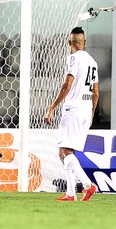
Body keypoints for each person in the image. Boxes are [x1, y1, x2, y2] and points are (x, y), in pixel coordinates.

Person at [44, 27, 99, 202]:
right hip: (85, 111)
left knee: (65, 152)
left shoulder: (73, 58)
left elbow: (66, 86)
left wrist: (52, 107)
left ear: (69, 43)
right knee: (66, 152)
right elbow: (96, 92)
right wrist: (91, 113)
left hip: (73, 109)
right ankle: (70, 193)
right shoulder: (93, 62)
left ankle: (88, 185)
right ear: (85, 42)